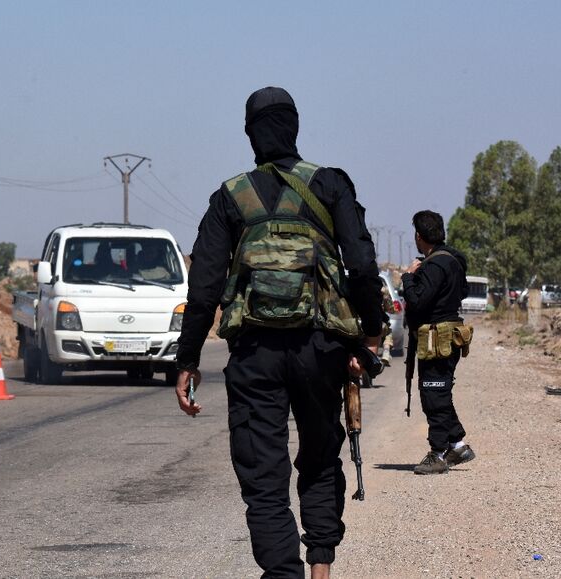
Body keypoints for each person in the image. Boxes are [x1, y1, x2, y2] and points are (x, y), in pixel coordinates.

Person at [175, 87, 384, 578]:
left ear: (250, 134)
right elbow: (361, 265)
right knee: (320, 458)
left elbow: (203, 287)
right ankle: (321, 568)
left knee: (264, 478)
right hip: (320, 348)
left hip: (255, 354)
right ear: (295, 127)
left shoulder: (229, 196)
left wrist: (187, 360)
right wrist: (369, 336)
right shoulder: (330, 184)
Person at [401, 210, 475, 475]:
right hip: (448, 335)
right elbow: (462, 291)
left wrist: (408, 277)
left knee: (434, 395)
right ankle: (458, 446)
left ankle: (438, 453)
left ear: (419, 236)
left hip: (437, 339)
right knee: (439, 393)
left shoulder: (434, 265)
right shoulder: (453, 260)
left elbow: (418, 301)